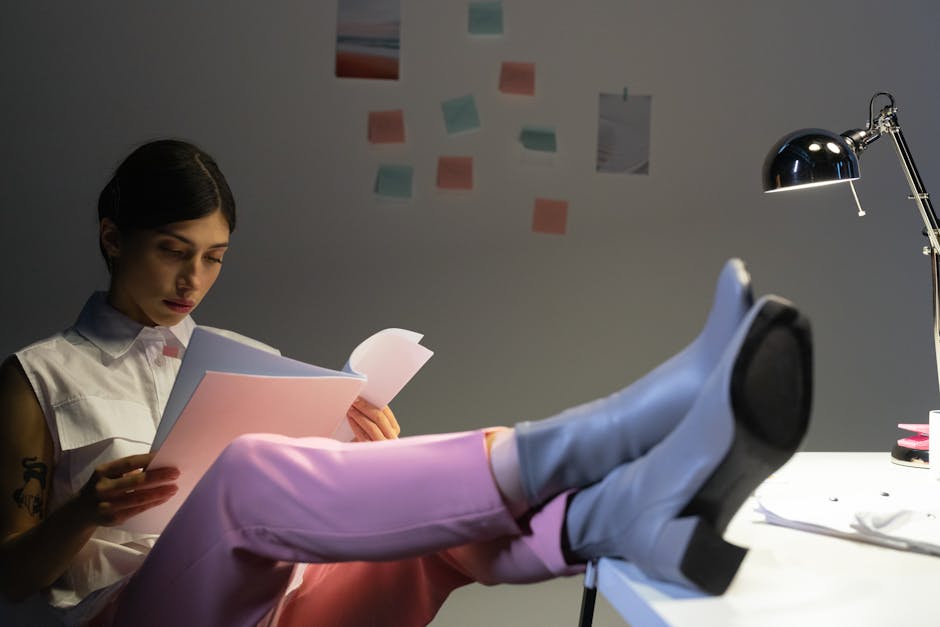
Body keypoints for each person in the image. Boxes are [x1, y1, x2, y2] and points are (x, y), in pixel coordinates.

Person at [0, 139, 813, 627]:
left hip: (282, 604)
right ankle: (613, 430)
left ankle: (609, 520)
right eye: (174, 250)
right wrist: (85, 509)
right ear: (114, 237)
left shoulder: (236, 352)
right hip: (133, 616)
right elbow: (6, 577)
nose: (193, 279)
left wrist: (357, 449)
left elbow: (305, 500)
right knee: (247, 472)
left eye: (213, 258)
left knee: (434, 527)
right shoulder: (39, 376)